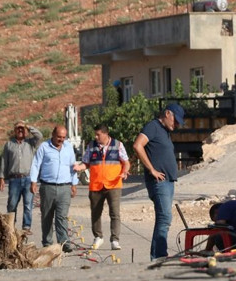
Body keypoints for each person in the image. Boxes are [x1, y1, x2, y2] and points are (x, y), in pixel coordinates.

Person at [133, 103, 185, 260]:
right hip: (159, 182)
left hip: (168, 182)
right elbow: (137, 145)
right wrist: (151, 169)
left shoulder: (165, 132)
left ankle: (158, 254)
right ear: (168, 113)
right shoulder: (153, 126)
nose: (176, 125)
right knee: (165, 218)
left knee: (164, 218)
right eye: (175, 121)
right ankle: (159, 255)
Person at [79, 123, 131, 251]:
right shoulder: (91, 146)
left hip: (113, 185)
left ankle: (115, 240)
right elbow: (85, 163)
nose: (96, 137)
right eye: (95, 134)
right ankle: (98, 237)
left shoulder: (118, 145)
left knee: (114, 213)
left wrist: (124, 172)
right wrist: (79, 167)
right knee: (95, 213)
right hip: (96, 185)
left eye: (98, 134)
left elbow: (126, 162)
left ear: (105, 133)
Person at [30, 125, 79, 252]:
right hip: (47, 187)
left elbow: (73, 166)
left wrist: (74, 184)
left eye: (63, 137)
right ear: (53, 135)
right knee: (47, 216)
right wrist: (33, 181)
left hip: (64, 187)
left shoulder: (68, 147)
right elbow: (36, 164)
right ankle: (47, 242)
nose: (61, 140)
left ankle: (64, 243)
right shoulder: (44, 147)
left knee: (61, 216)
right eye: (59, 137)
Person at [0, 121, 42, 235]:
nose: (20, 130)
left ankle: (26, 227)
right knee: (12, 204)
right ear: (14, 130)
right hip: (14, 179)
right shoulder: (9, 144)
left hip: (28, 178)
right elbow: (4, 161)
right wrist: (1, 177)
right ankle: (11, 226)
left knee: (28, 204)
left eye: (22, 129)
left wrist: (28, 126)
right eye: (18, 128)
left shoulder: (31, 143)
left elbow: (39, 136)